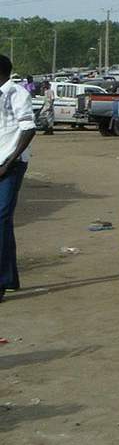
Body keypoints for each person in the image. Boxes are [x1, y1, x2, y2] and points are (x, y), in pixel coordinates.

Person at [0, 55, 37, 303]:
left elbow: (29, 129)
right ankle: (9, 278)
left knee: (0, 218)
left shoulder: (17, 93)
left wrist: (8, 163)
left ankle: (1, 282)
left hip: (10, 165)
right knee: (4, 221)